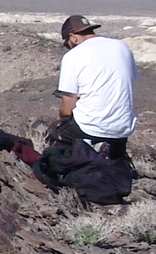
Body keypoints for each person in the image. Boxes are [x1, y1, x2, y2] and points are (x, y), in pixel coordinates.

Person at [55, 13, 137, 160]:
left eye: (68, 43)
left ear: (73, 37)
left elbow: (67, 109)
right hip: (123, 128)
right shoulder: (122, 47)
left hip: (92, 127)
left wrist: (62, 118)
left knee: (56, 135)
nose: (69, 47)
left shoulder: (73, 56)